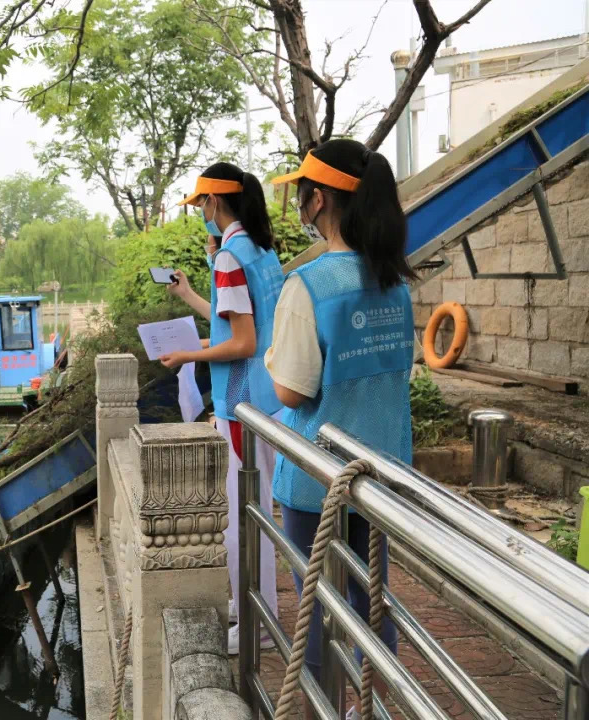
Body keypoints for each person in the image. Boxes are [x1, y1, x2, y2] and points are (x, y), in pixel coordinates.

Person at [268, 139, 416, 719]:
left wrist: (275, 359)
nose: (298, 204)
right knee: (372, 597)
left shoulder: (308, 284)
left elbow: (291, 391)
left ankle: (319, 707)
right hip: (381, 472)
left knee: (316, 604)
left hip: (317, 480)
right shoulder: (394, 282)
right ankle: (372, 706)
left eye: (301, 194)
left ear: (319, 200)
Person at [159, 161, 284, 654]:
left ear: (213, 202)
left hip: (242, 403)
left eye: (199, 205)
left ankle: (258, 625)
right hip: (269, 398)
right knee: (258, 511)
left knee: (242, 517)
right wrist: (190, 295)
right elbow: (240, 326)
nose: (200, 214)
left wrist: (188, 355)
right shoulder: (259, 250)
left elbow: (242, 343)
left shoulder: (231, 257)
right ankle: (256, 610)